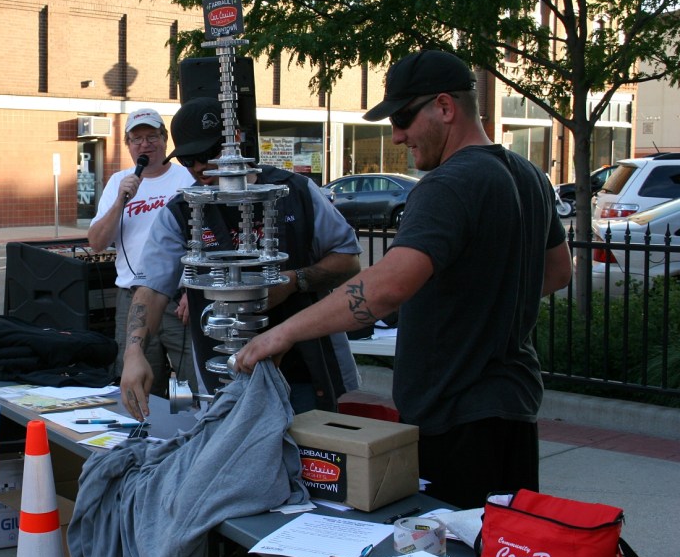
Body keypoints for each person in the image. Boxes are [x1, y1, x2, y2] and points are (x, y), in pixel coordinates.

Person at [234, 50, 574, 509]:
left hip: (456, 418)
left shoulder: (447, 184)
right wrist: (481, 293)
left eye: (404, 118)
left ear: (445, 107)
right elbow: (557, 271)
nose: (397, 135)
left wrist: (282, 333)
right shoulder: (528, 175)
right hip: (513, 408)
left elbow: (386, 287)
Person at [119, 97, 362, 420]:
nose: (199, 168)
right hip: (224, 369)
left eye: (208, 155)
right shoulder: (181, 211)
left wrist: (293, 282)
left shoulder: (296, 192)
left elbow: (348, 260)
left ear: (235, 143)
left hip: (308, 366)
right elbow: (151, 287)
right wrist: (134, 351)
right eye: (189, 159)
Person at [89, 108, 195, 397]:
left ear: (164, 139)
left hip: (180, 298)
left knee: (188, 381)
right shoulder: (118, 183)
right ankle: (145, 434)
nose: (145, 145)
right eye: (136, 140)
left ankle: (185, 432)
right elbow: (97, 242)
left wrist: (193, 289)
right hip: (132, 298)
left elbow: (206, 240)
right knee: (139, 380)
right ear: (128, 146)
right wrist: (121, 202)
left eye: (152, 137)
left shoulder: (187, 178)